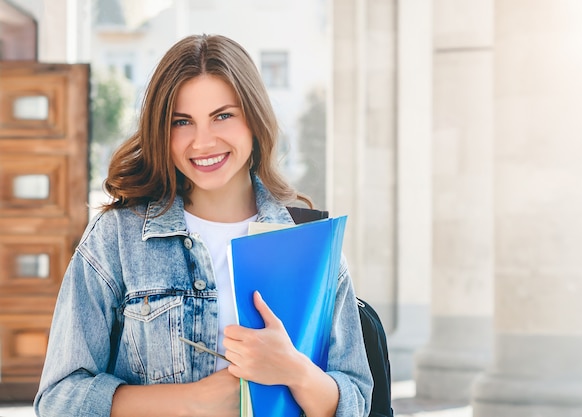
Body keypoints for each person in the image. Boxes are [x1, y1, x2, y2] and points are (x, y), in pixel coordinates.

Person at [34, 34, 373, 417]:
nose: (203, 142)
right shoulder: (118, 238)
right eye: (182, 122)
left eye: (222, 116)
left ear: (254, 118)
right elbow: (59, 400)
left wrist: (293, 371)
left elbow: (357, 400)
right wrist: (193, 402)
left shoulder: (307, 241)